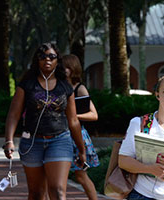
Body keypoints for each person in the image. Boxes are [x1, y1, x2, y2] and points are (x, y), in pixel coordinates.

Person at [2, 42, 86, 200]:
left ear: (57, 60)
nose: (47, 59)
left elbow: (73, 120)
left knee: (58, 191)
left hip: (59, 141)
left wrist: (81, 149)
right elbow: (13, 115)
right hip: (32, 142)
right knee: (37, 194)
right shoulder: (27, 84)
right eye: (43, 56)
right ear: (37, 60)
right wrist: (9, 140)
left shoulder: (65, 86)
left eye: (51, 56)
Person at [62, 54, 100, 200]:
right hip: (60, 134)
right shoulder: (57, 86)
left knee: (81, 175)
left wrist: (74, 116)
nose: (64, 70)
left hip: (76, 135)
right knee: (57, 176)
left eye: (67, 67)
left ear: (74, 69)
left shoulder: (80, 88)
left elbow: (93, 115)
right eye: (62, 67)